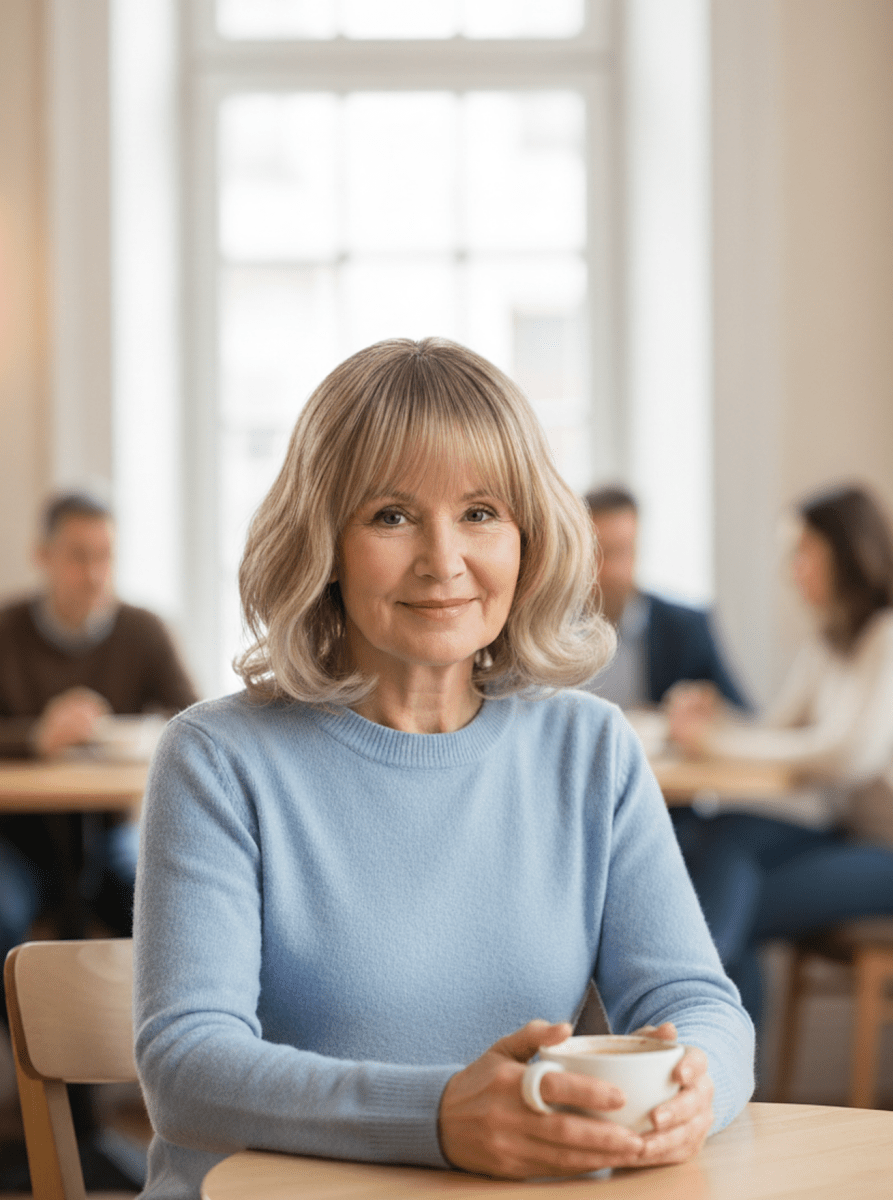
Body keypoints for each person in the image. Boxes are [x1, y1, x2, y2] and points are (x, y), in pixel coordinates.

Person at [133, 338, 753, 1199]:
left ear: (527, 538)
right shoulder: (216, 758)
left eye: (480, 513)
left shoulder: (590, 749)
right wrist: (436, 1119)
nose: (443, 559)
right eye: (391, 516)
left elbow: (699, 1005)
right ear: (324, 542)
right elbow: (186, 1069)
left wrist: (694, 1089)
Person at [668, 484, 893, 1025]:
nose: (792, 572)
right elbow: (772, 733)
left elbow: (847, 755)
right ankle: (710, 1034)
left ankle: (692, 1013)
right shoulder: (830, 644)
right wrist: (714, 716)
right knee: (721, 834)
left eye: (802, 554)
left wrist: (718, 741)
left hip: (884, 852)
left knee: (726, 909)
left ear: (845, 554)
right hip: (849, 836)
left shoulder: (886, 636)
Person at [0, 490, 199, 951]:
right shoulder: (7, 631)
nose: (93, 574)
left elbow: (193, 720)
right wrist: (36, 738)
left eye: (105, 556)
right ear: (43, 556)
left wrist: (129, 735)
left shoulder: (143, 631)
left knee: (165, 907)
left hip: (112, 833)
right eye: (78, 557)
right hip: (17, 839)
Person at [582, 485, 748, 710]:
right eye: (600, 553)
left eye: (623, 551)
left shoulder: (686, 628)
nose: (612, 570)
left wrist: (707, 710)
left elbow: (743, 714)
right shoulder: (550, 629)